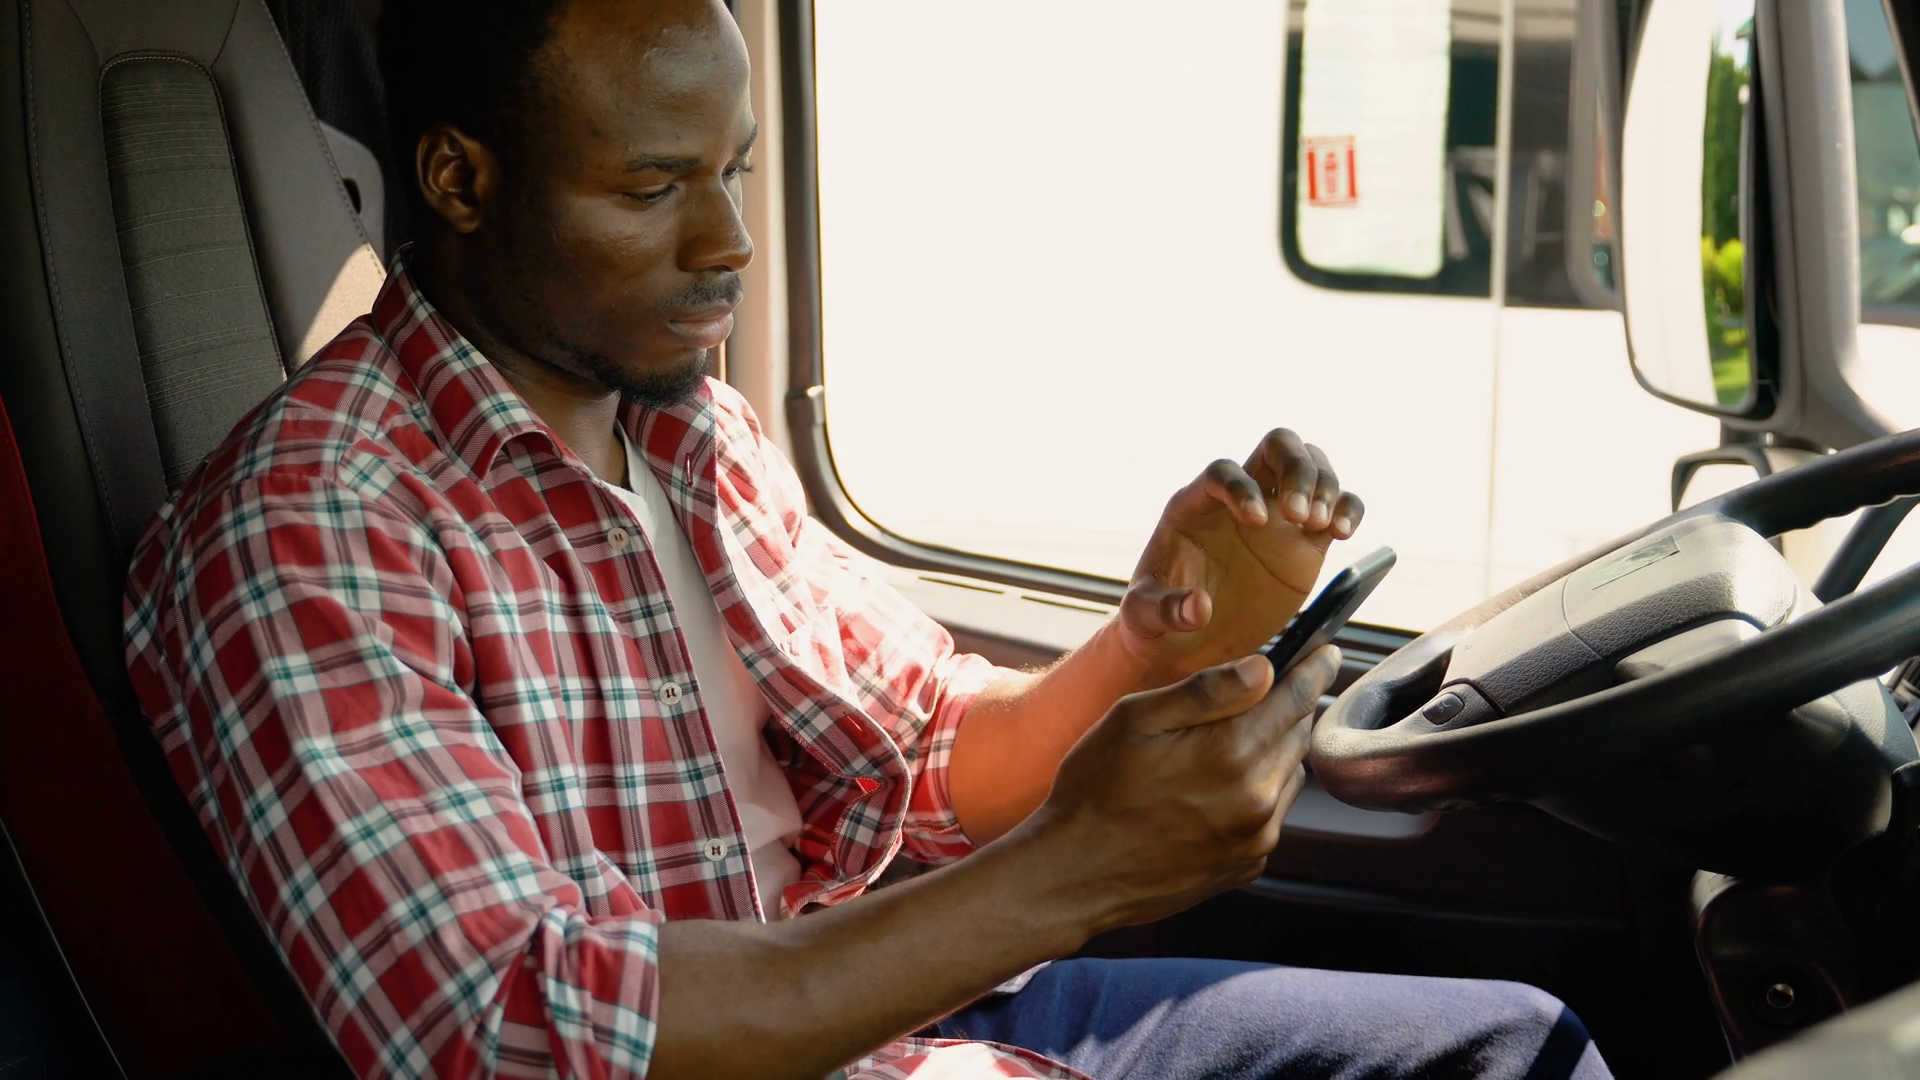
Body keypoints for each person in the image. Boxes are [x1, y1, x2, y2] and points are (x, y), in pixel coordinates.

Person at [123, 0, 1613, 1076]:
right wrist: (1075, 874)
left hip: (885, 1020)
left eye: (733, 170)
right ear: (460, 181)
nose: (728, 242)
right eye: (651, 187)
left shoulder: (688, 434)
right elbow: (512, 1028)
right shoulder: (308, 527)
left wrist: (1154, 644)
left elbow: (928, 753)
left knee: (1514, 1049)